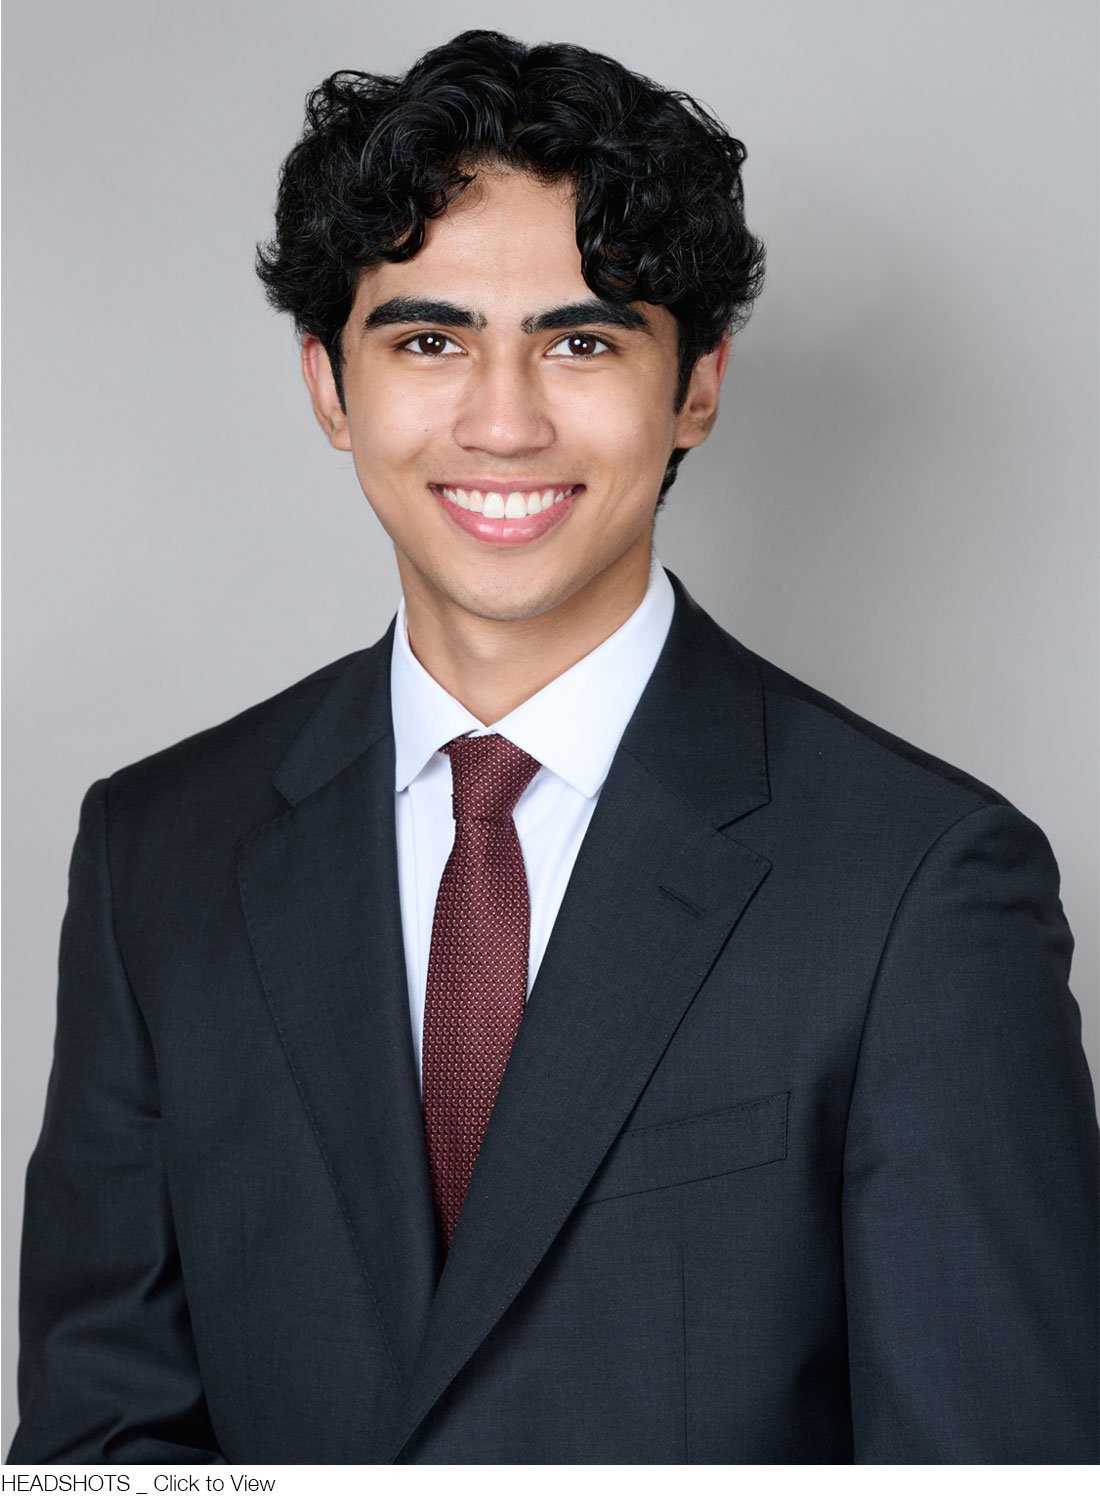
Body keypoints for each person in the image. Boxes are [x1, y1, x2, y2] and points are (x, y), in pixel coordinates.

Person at [8, 29, 1098, 1465]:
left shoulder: (921, 885)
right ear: (331, 388)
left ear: (697, 384)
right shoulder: (160, 852)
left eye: (580, 340)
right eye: (428, 339)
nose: (503, 422)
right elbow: (106, 1455)